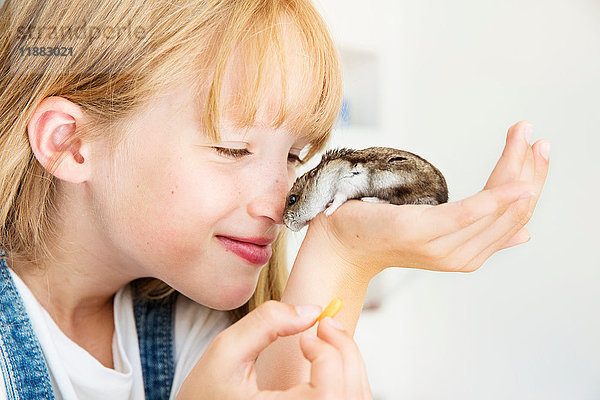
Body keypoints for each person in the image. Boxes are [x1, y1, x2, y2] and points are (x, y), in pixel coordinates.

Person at [0, 0, 550, 399]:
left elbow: (280, 387)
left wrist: (345, 251)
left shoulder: (187, 321)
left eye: (293, 157)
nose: (280, 198)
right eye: (233, 148)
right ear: (69, 143)